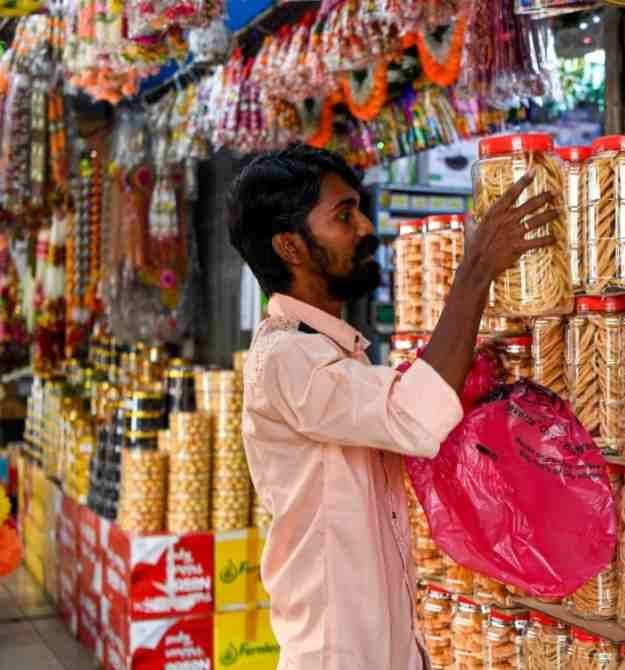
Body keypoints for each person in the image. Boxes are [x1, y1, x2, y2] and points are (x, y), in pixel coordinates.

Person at [227, 143, 556, 669]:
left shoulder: (330, 348)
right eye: (343, 215)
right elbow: (413, 418)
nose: (364, 229)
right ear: (290, 246)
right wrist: (475, 270)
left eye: (357, 209)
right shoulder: (287, 357)